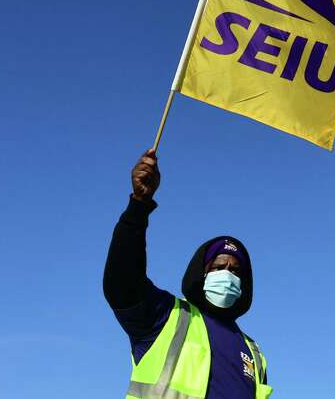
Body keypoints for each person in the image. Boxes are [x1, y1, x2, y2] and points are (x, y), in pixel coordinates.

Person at [104, 149, 273, 399]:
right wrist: (138, 208)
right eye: (218, 267)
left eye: (236, 271)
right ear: (201, 274)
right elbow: (122, 282)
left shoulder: (254, 354)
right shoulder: (166, 316)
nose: (227, 275)